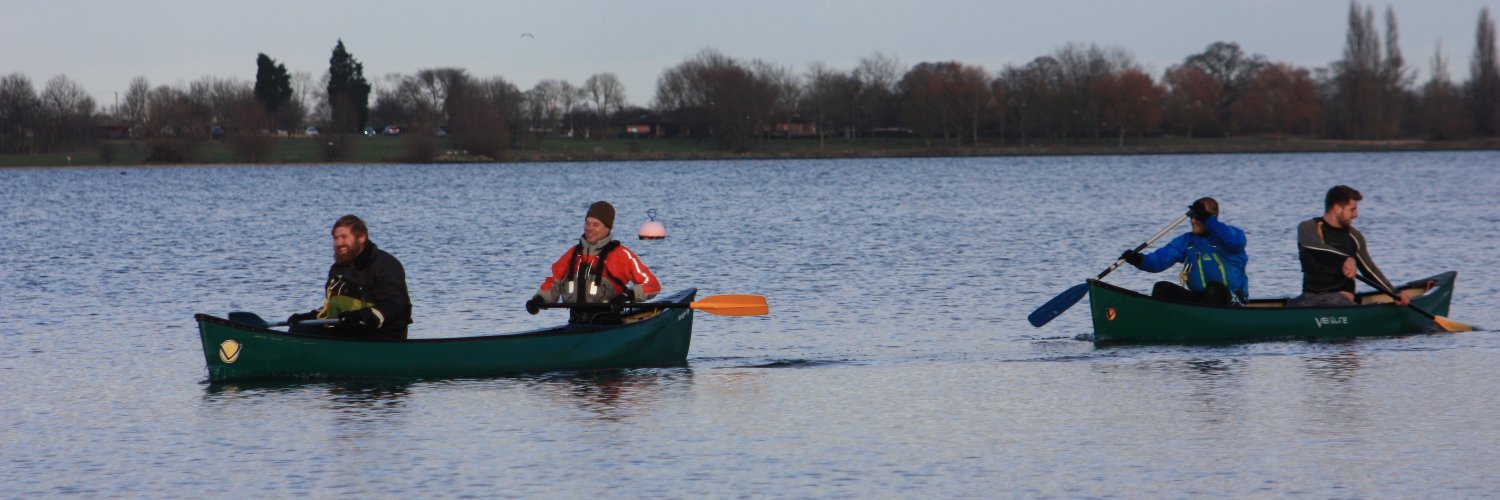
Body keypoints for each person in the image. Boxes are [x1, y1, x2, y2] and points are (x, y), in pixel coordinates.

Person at [526, 201, 661, 324]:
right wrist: (539, 300)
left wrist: (627, 296)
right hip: (575, 324)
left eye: (595, 224)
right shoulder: (573, 254)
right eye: (587, 223)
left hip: (609, 325)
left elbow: (652, 284)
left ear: (607, 228)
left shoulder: (621, 255)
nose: (589, 228)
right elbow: (553, 283)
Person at [287, 214, 413, 339]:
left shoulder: (384, 264)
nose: (339, 243)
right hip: (349, 331)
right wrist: (309, 317)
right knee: (298, 329)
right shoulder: (338, 268)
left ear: (362, 237)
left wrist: (364, 316)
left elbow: (396, 303)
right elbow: (332, 308)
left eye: (344, 237)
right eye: (335, 238)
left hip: (383, 335)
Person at [1287, 185, 1408, 307]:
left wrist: (1394, 293)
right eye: (1352, 209)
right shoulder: (1308, 227)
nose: (1356, 215)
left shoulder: (1354, 236)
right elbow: (1315, 246)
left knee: (1335, 303)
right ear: (1338, 208)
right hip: (1309, 298)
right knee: (1291, 307)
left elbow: (1370, 270)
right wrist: (1346, 258)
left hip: (1340, 300)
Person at [1120, 197, 1249, 305]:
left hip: (1231, 301)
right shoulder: (1187, 241)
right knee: (1162, 288)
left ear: (1211, 218)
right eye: (1192, 216)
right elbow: (1159, 261)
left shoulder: (1231, 236)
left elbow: (1233, 242)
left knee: (1213, 288)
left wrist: (1207, 218)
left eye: (1198, 217)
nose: (1193, 221)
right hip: (1201, 300)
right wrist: (1138, 259)